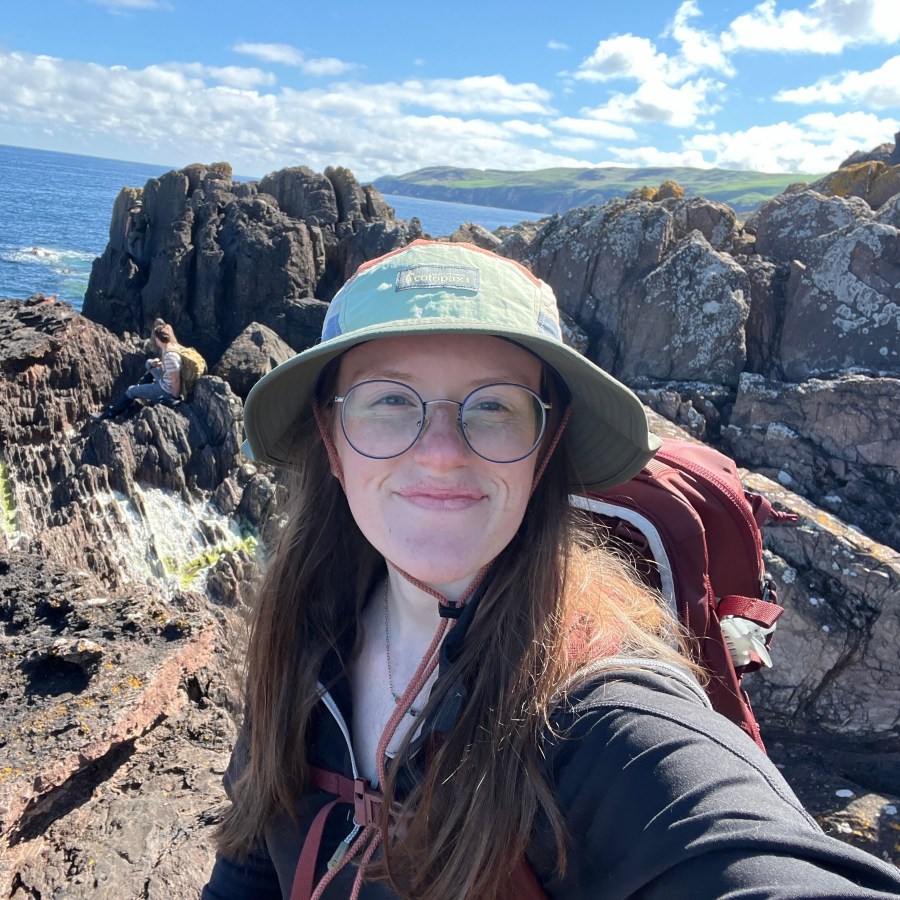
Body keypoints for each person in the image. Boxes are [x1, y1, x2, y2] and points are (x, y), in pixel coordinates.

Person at [202, 241, 900, 899]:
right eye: (389, 399)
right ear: (331, 438)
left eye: (495, 407)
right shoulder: (304, 629)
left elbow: (743, 853)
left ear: (546, 444)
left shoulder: (604, 714)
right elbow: (250, 859)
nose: (442, 451)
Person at [93, 320, 182, 420]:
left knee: (131, 390)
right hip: (166, 379)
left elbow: (176, 380)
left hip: (166, 389)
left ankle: (107, 416)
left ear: (158, 339)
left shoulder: (170, 356)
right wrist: (158, 363)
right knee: (149, 363)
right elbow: (170, 368)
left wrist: (173, 399)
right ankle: (141, 387)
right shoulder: (171, 346)